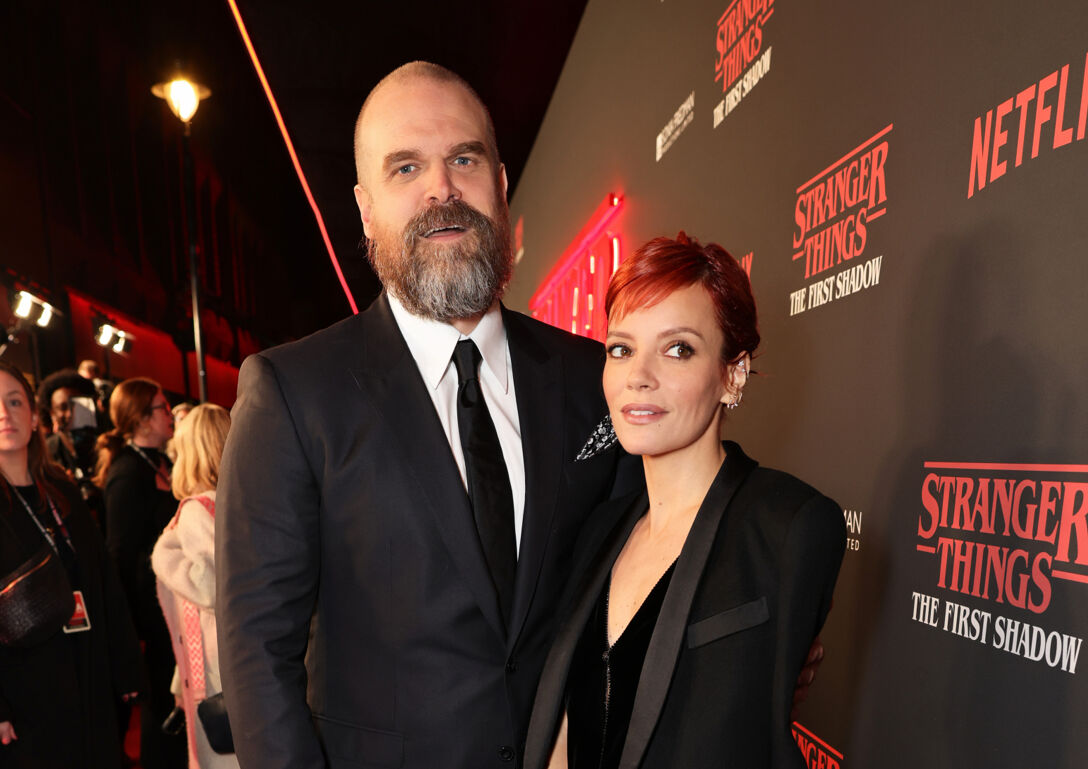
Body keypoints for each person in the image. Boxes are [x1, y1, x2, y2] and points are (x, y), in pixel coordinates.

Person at [217, 62, 821, 769]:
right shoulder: (294, 392)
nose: (441, 188)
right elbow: (258, 655)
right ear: (366, 208)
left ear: (501, 186)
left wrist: (751, 632)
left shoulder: (593, 376)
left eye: (464, 158)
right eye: (406, 167)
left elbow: (652, 551)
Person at [522, 234, 847, 769]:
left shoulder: (788, 526)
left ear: (732, 373)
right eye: (621, 349)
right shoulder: (599, 530)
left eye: (678, 349)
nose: (638, 377)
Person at [0, 361, 142, 768]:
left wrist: (126, 665)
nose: (5, 415)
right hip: (23, 686)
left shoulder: (61, 489)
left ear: (33, 416)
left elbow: (104, 580)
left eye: (14, 401)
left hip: (86, 663)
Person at [96, 377, 186, 768]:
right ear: (140, 418)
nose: (169, 414)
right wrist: (129, 630)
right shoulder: (126, 472)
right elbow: (119, 552)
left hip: (173, 604)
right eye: (161, 408)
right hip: (150, 615)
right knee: (163, 704)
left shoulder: (163, 461)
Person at [152, 404, 237, 769]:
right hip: (241, 660)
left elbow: (211, 589)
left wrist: (165, 554)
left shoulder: (196, 510)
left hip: (216, 674)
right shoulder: (244, 503)